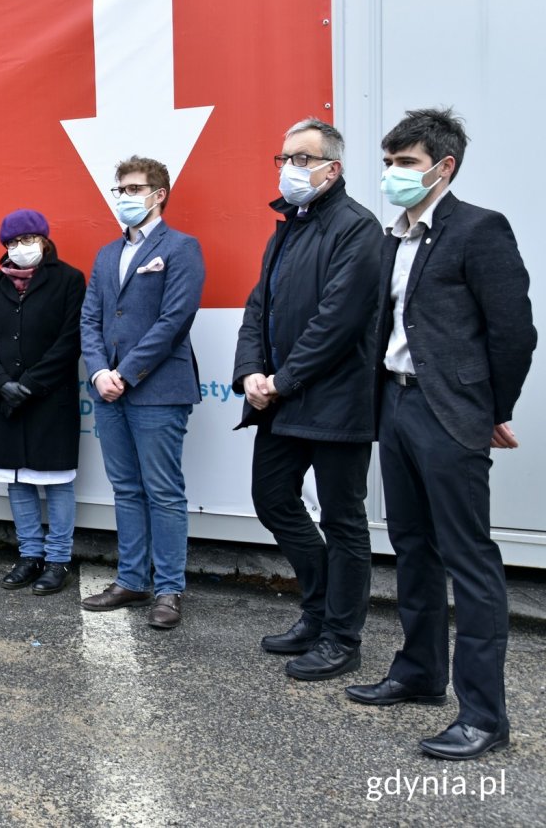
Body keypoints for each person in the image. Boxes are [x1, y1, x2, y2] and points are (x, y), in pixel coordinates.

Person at [345, 109, 535, 761]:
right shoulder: (390, 239)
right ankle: (419, 673)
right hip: (395, 409)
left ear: (442, 168)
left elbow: (513, 332)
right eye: (389, 161)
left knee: (468, 559)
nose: (392, 174)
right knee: (411, 546)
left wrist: (490, 408)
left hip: (448, 415)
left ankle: (483, 715)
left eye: (405, 162)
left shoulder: (479, 230)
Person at [232, 118, 382, 680]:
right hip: (282, 399)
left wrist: (282, 380)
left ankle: (343, 637)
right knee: (272, 499)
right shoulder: (287, 226)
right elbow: (258, 307)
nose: (288, 168)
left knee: (344, 519)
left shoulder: (357, 228)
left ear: (332, 168)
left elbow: (337, 322)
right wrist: (250, 370)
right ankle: (317, 610)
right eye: (284, 158)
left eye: (300, 158)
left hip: (336, 401)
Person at [80, 157, 204, 628]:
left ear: (159, 194)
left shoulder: (181, 248)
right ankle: (131, 579)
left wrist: (125, 373)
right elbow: (90, 319)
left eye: (135, 188)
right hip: (108, 391)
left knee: (163, 491)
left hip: (157, 390)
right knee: (126, 489)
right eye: (121, 189)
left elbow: (174, 322)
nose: (126, 197)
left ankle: (169, 589)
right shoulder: (107, 254)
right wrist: (98, 373)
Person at [0, 209, 86, 595]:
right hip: (4, 397)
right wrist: (0, 382)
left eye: (26, 240)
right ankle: (29, 554)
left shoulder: (69, 279)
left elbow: (70, 340)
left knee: (56, 482)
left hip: (49, 397)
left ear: (44, 240)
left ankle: (57, 560)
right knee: (16, 480)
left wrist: (31, 384)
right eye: (11, 243)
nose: (19, 249)